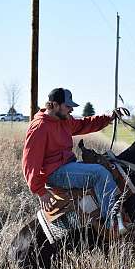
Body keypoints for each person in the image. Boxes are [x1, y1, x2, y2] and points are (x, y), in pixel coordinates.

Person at [22, 87, 127, 228]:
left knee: (107, 165)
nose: (71, 110)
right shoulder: (40, 127)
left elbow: (84, 124)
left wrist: (109, 117)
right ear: (54, 105)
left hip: (68, 166)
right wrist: (40, 191)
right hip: (55, 173)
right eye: (68, 106)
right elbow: (30, 162)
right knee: (100, 174)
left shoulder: (64, 120)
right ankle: (112, 223)